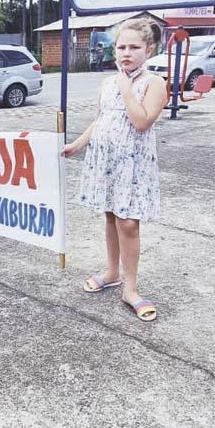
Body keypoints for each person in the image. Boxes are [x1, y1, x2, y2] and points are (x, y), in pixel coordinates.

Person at [63, 18, 166, 322]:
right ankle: (111, 272)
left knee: (129, 223)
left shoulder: (154, 82)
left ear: (149, 49)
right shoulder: (107, 83)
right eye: (121, 46)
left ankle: (131, 289)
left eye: (134, 47)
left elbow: (141, 121)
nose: (126, 53)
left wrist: (126, 88)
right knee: (110, 215)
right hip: (105, 161)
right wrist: (78, 144)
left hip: (133, 166)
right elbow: (101, 119)